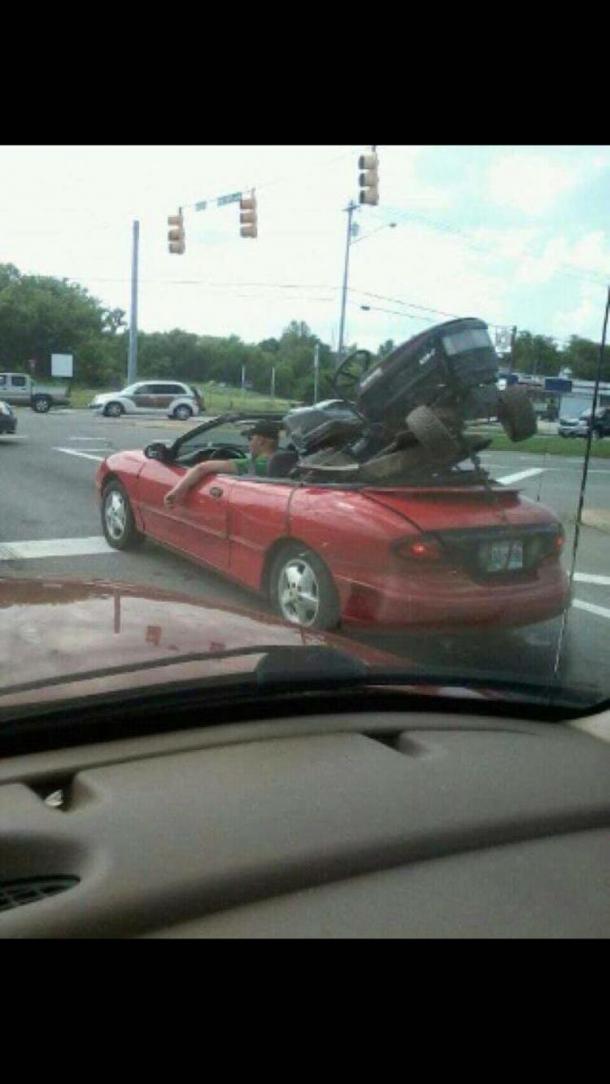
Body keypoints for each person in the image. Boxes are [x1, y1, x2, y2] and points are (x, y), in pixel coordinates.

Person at [164, 420, 280, 508]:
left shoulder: (255, 465)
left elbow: (202, 468)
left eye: (250, 438)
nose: (249, 443)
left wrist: (177, 491)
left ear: (261, 441)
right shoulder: (284, 461)